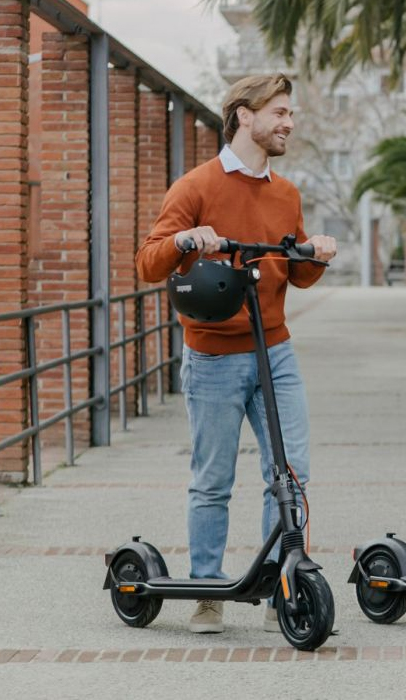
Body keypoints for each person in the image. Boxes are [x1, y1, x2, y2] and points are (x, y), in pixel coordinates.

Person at [135, 73, 337, 634]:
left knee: (291, 473)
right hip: (214, 358)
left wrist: (315, 253)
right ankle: (207, 592)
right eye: (278, 112)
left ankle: (284, 587)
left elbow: (295, 275)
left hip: (276, 350)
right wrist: (184, 240)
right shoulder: (196, 186)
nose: (288, 123)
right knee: (212, 480)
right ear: (244, 116)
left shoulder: (286, 193)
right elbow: (148, 261)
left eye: (290, 114)